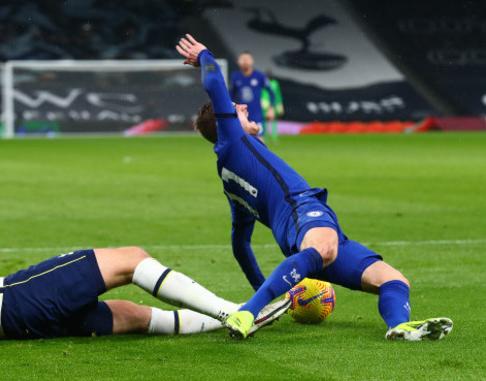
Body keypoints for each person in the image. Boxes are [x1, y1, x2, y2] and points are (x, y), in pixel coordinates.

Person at [175, 34, 452, 341]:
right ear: (225, 124)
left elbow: (240, 245)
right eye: (236, 110)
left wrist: (259, 287)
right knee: (324, 249)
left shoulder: (230, 179)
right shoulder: (234, 142)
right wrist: (205, 55)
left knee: (392, 280)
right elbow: (214, 85)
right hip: (303, 213)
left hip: (301, 236)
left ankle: (399, 326)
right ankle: (248, 314)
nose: (242, 106)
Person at [0, 225, 287, 347]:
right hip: (16, 296)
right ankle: (239, 311)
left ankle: (242, 313)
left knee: (131, 316)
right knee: (131, 258)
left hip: (19, 324)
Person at [229, 52, 275, 142]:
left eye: (247, 59)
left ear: (252, 61)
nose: (245, 61)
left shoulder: (259, 76)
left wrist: (271, 108)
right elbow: (231, 95)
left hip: (256, 114)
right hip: (242, 114)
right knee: (241, 141)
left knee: (259, 140)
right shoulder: (235, 77)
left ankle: (260, 156)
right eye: (243, 59)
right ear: (238, 62)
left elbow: (271, 92)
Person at [260, 70, 284, 142]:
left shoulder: (272, 83)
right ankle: (272, 136)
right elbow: (277, 94)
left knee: (266, 120)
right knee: (270, 120)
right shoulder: (273, 83)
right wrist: (279, 103)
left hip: (266, 103)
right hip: (270, 103)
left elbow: (277, 94)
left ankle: (270, 136)